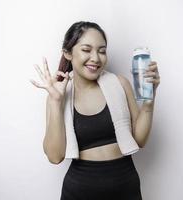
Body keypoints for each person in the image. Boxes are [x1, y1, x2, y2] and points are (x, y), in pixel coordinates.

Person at [30, 21, 160, 200]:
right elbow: (54, 156)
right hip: (80, 189)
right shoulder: (58, 94)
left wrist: (148, 102)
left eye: (101, 50)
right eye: (86, 50)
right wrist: (55, 101)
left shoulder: (120, 84)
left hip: (126, 185)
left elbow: (139, 140)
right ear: (68, 53)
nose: (96, 58)